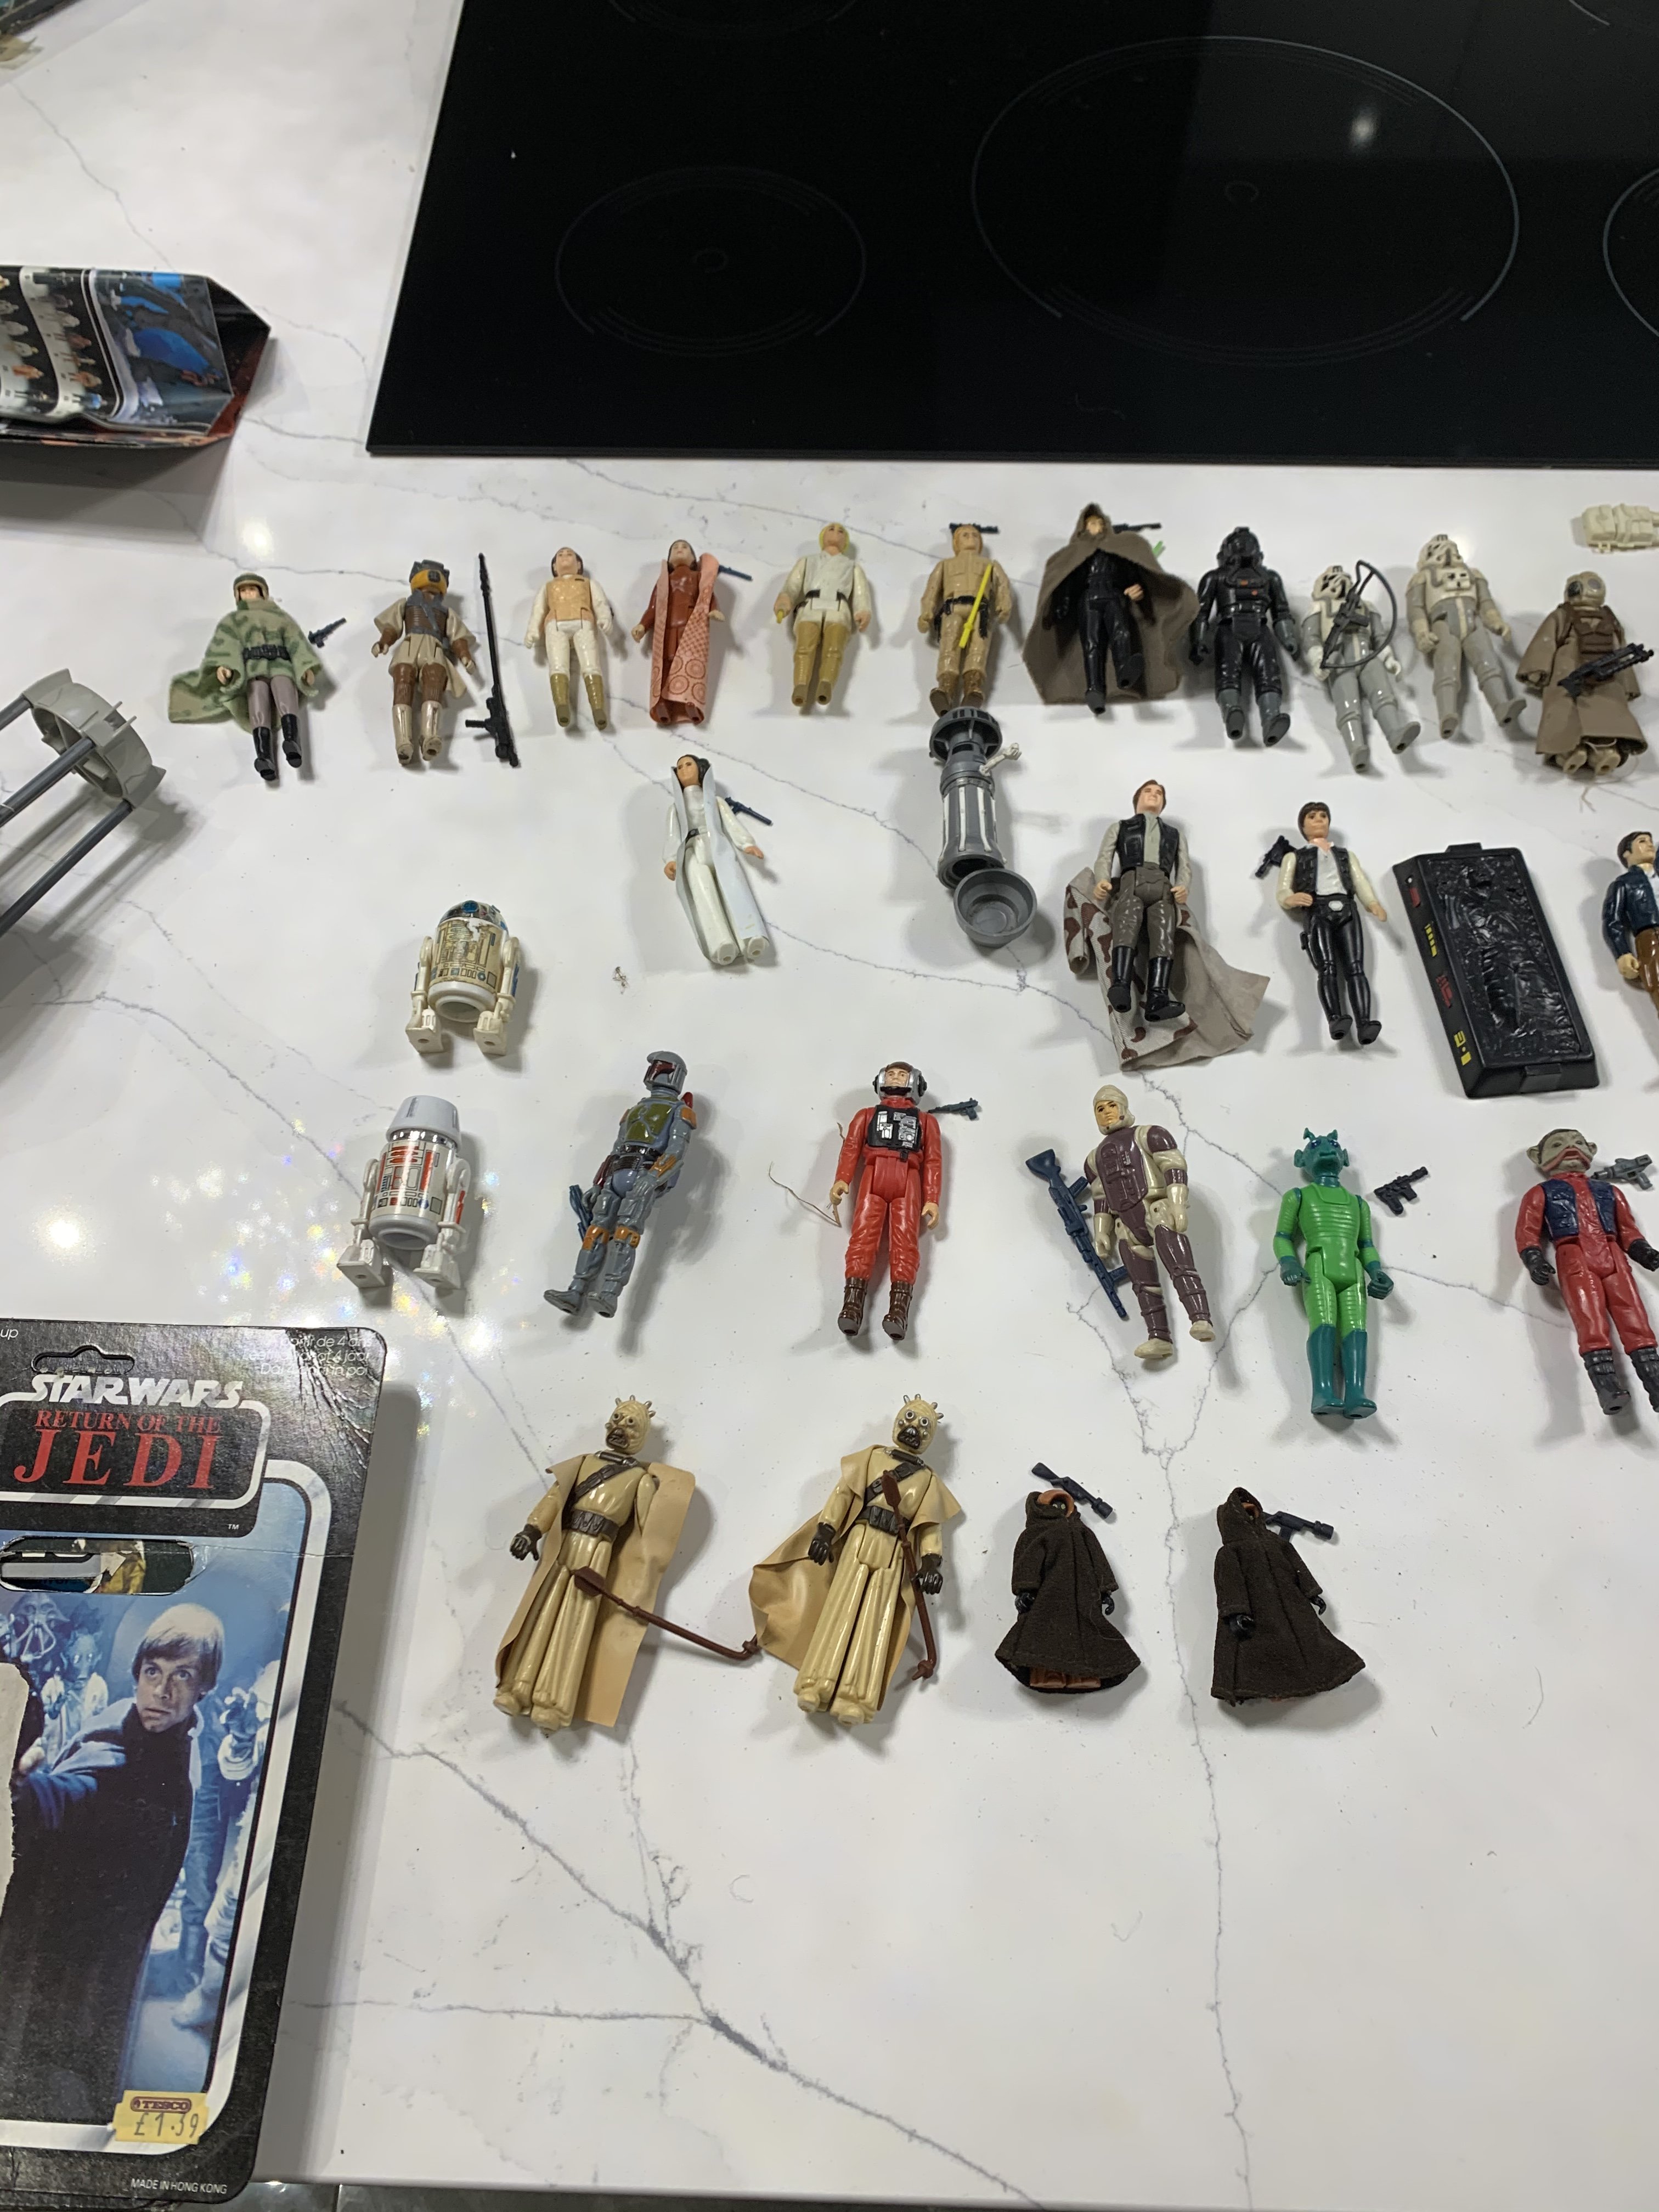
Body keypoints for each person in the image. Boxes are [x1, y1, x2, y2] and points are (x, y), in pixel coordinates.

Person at [0, 1604, 223, 2122]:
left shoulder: (181, 1745)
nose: (161, 1692)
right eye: (153, 1672)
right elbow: (67, 1796)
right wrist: (19, 1792)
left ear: (204, 1687)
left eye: (182, 1676)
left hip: (114, 1934)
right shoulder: (116, 1742)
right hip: (62, 1938)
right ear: (137, 1672)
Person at [1276, 801, 1387, 1044]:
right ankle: (1335, 1019)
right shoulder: (1294, 857)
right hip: (1317, 910)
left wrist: (1372, 903)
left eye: (1323, 816)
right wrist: (1291, 898)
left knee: (1356, 968)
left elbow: (1360, 881)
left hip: (1347, 909)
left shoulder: (1346, 855)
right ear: (1303, 826)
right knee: (1326, 968)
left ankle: (1365, 1022)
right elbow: (1283, 889)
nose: (1319, 820)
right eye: (1312, 817)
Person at [663, 754, 768, 966]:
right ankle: (720, 942)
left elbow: (731, 824)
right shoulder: (676, 808)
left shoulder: (715, 801)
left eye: (689, 765)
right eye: (680, 767)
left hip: (718, 846)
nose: (684, 770)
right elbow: (672, 836)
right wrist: (671, 859)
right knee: (704, 894)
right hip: (692, 851)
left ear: (701, 770)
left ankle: (749, 937)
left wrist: (746, 843)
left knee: (734, 888)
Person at [773, 523, 872, 709]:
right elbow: (793, 585)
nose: (836, 533)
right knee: (804, 649)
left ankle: (826, 684)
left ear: (846, 541)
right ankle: (801, 685)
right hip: (811, 606)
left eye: (841, 532)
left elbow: (861, 593)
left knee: (834, 650)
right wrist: (785, 599)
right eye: (831, 530)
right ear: (823, 537)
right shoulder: (808, 561)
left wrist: (863, 610)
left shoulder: (852, 566)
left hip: (838, 609)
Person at [524, 546, 619, 730]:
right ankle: (562, 706)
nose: (565, 557)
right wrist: (533, 630)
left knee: (591, 665)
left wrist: (605, 617)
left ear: (579, 565)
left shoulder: (588, 583)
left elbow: (600, 602)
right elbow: (539, 610)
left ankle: (598, 707)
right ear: (554, 567)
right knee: (558, 666)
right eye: (560, 556)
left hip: (583, 622)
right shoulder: (548, 586)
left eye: (570, 555)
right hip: (555, 625)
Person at [633, 540, 726, 725]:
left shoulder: (697, 576)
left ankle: (690, 701)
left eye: (685, 547)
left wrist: (714, 609)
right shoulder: (664, 581)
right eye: (675, 548)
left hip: (691, 626)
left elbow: (707, 595)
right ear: (668, 560)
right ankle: (663, 703)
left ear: (694, 559)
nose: (680, 549)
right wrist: (643, 626)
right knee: (667, 662)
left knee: (690, 662)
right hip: (667, 627)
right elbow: (653, 607)